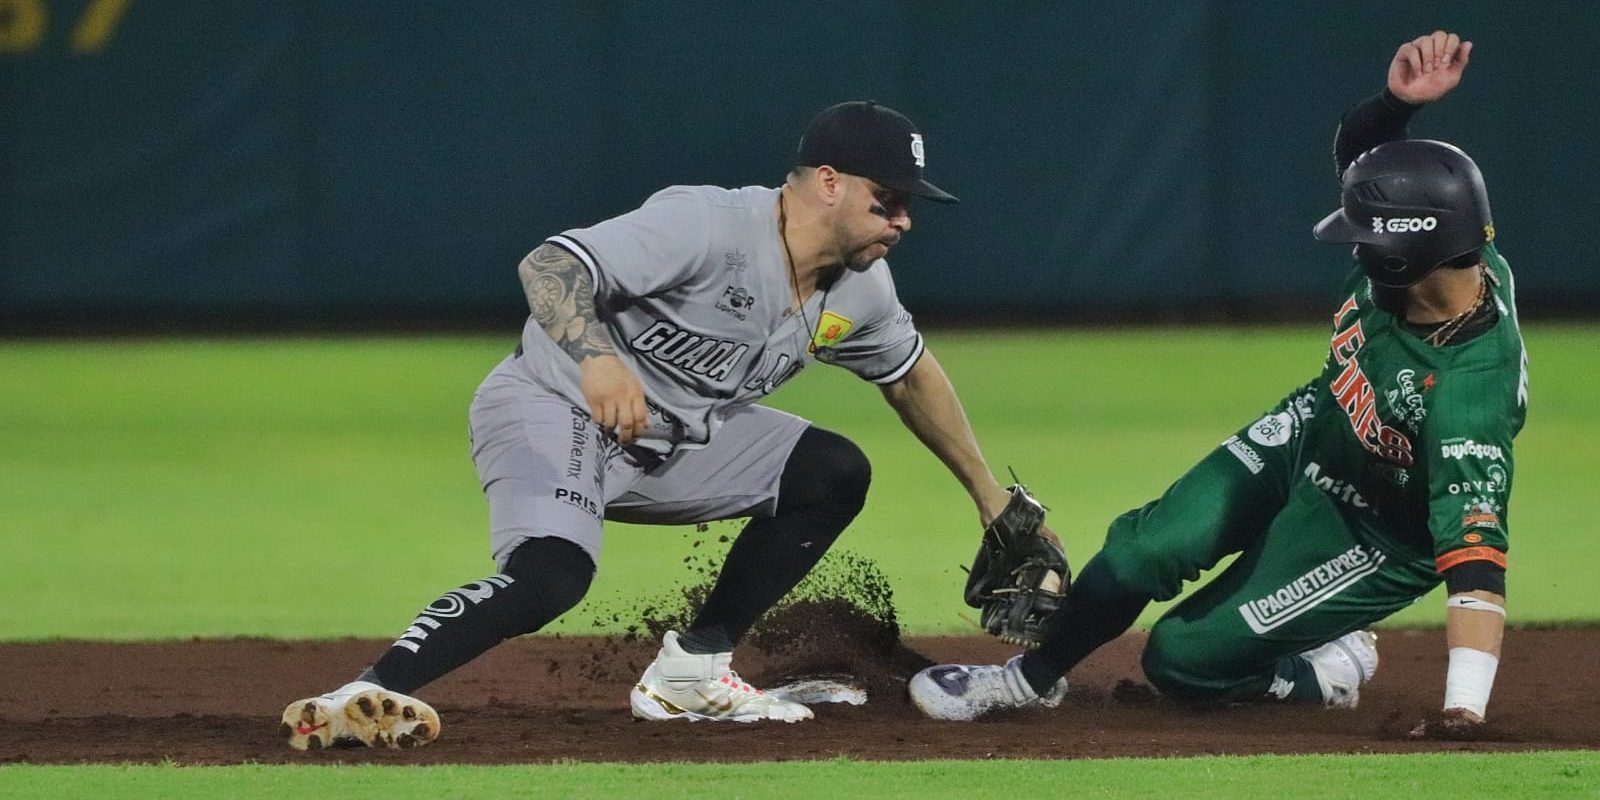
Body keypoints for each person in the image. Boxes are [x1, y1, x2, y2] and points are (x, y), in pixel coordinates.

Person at [281, 101, 1028, 749]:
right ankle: (362, 696)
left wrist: (988, 494)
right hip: (554, 404)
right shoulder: (708, 224)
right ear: (828, 182)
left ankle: (693, 672)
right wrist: (599, 358)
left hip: (674, 442)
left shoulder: (863, 288)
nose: (902, 220)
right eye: (887, 198)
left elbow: (910, 373)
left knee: (831, 473)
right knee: (550, 577)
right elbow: (548, 266)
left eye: (910, 206)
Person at [911, 31, 1521, 737]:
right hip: (1314, 430)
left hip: (1378, 529)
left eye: (1368, 237)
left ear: (1410, 252)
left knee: (1182, 662)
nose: (1354, 243)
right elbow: (1366, 165)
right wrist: (1393, 106)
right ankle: (1027, 680)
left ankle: (1324, 670)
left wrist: (1463, 712)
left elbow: (1476, 567)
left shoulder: (1472, 394)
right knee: (1141, 553)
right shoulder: (1445, 246)